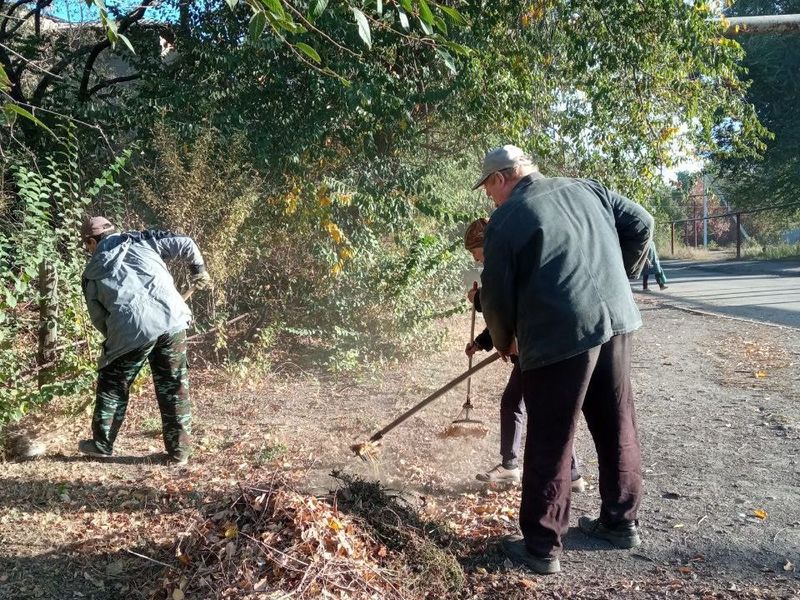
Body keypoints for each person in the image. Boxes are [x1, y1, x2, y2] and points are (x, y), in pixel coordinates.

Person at [474, 145, 653, 574]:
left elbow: (496, 298)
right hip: (616, 323)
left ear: (502, 178)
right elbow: (642, 223)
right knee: (616, 422)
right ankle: (620, 523)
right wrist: (617, 280)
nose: (488, 199)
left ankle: (540, 546)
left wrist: (504, 342)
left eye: (487, 189)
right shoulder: (588, 187)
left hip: (560, 336)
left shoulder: (506, 220)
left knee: (550, 437)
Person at [462, 218, 586, 493]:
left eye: (476, 253)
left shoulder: (505, 261)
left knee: (528, 406)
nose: (477, 260)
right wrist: (482, 342)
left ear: (485, 245)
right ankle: (571, 472)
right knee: (536, 406)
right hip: (538, 344)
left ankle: (513, 467)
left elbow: (505, 302)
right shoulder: (512, 257)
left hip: (540, 346)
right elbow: (505, 315)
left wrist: (481, 299)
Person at [78, 216, 212, 465]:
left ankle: (101, 444)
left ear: (90, 242)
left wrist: (117, 341)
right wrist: (199, 271)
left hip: (129, 331)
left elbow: (99, 318)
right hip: (172, 319)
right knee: (173, 386)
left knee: (113, 385)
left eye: (86, 245)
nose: (88, 250)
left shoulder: (90, 273)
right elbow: (186, 243)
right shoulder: (141, 239)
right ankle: (179, 453)